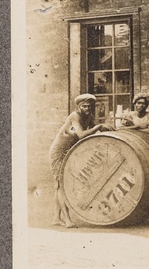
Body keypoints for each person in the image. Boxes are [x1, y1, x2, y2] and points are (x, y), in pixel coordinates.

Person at [48, 93, 112, 227]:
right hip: (59, 151)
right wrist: (99, 127)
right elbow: (82, 135)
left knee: (59, 185)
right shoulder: (75, 116)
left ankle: (55, 218)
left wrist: (106, 128)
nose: (87, 109)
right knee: (62, 185)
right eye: (84, 106)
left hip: (70, 151)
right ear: (78, 106)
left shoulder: (88, 117)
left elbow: (96, 130)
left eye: (89, 106)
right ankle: (67, 220)